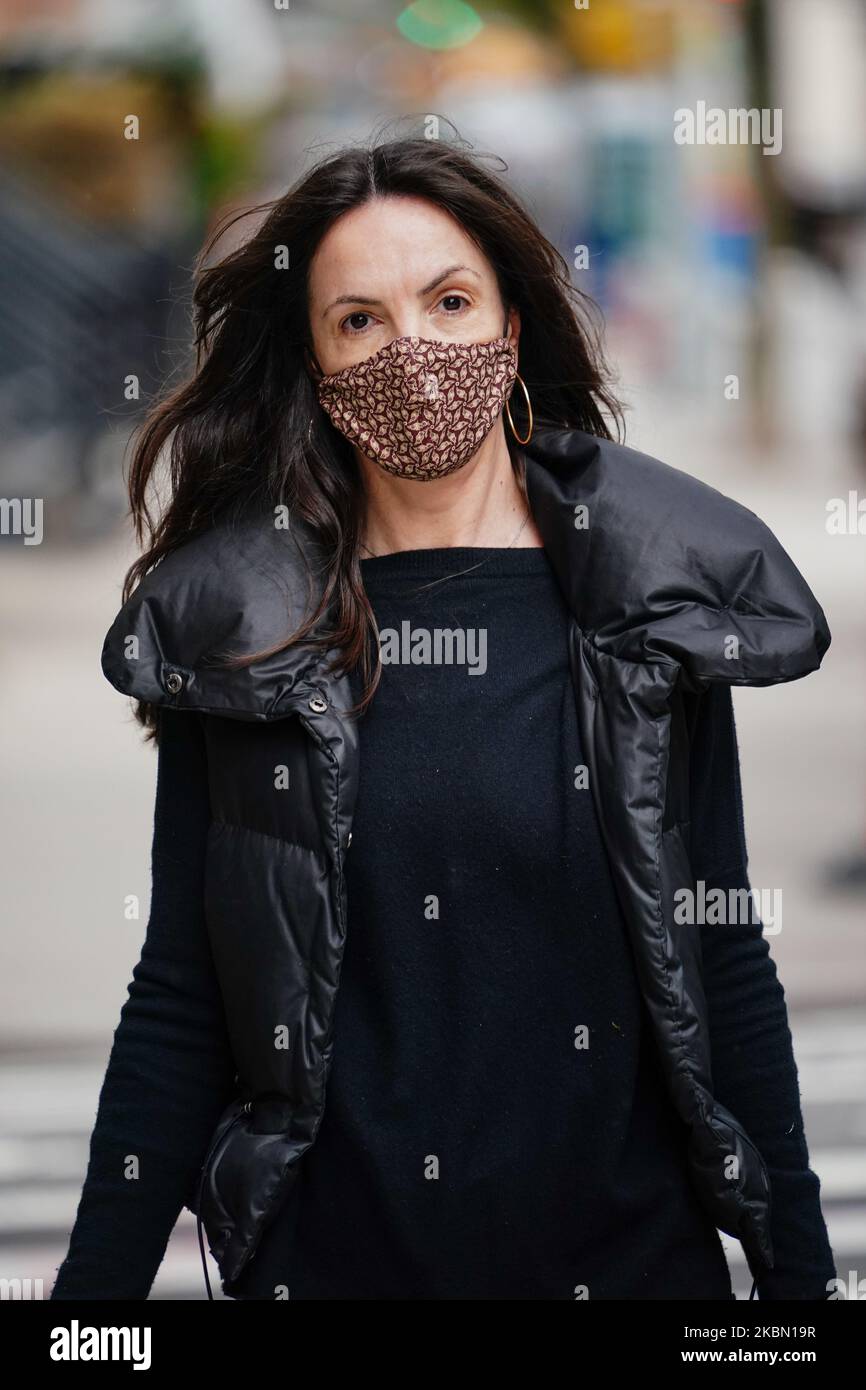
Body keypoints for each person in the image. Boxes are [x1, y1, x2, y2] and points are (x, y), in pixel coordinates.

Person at [52, 135, 836, 1301]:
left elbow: (717, 953)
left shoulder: (636, 599)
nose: (410, 350)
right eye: (358, 321)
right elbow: (184, 988)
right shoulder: (251, 628)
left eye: (448, 300)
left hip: (628, 1272)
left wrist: (800, 1290)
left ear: (510, 328)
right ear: (315, 364)